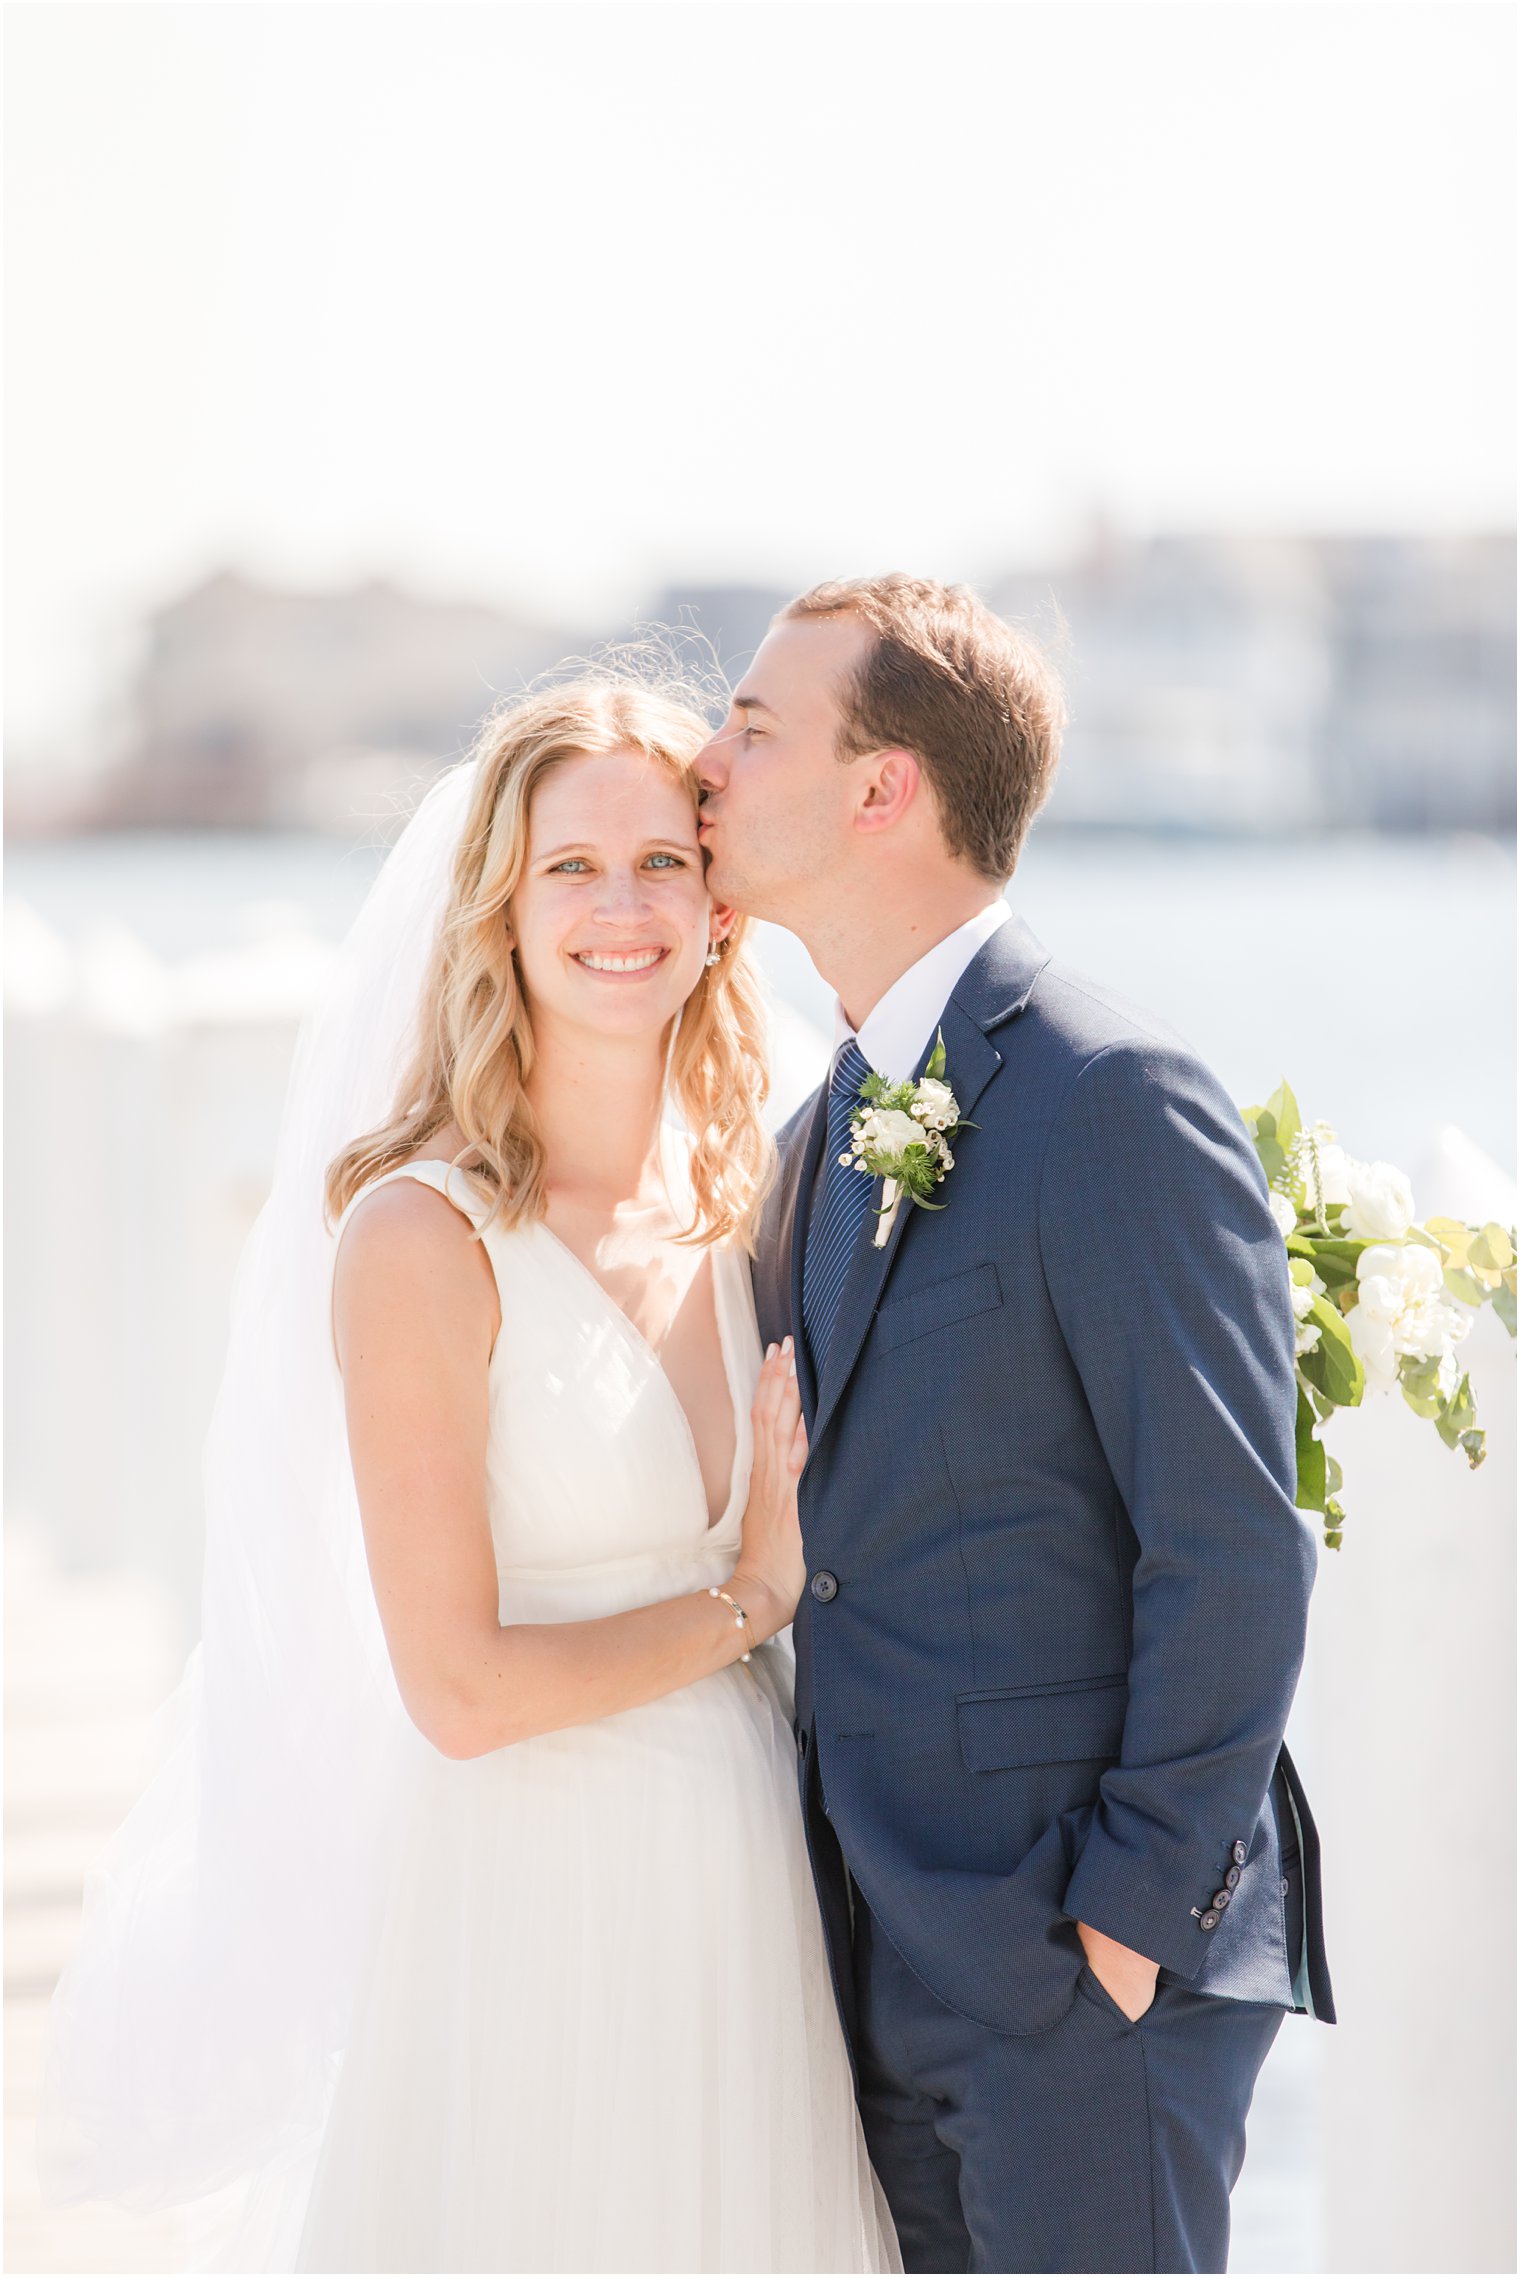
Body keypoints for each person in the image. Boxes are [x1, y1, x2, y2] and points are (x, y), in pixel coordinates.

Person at [38, 675, 900, 2275]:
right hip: (530, 1912)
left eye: (662, 861)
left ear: (722, 910)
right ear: (497, 910)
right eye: (570, 867)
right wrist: (745, 1598)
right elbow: (458, 1686)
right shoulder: (421, 1239)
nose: (622, 907)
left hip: (749, 1919)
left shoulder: (753, 1208)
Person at [696, 575, 1336, 2277]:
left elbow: (1230, 1542)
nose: (708, 760)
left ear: (881, 787)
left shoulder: (1106, 1096)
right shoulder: (812, 1133)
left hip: (1074, 1973)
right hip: (884, 1961)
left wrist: (1123, 1922)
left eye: (754, 727)